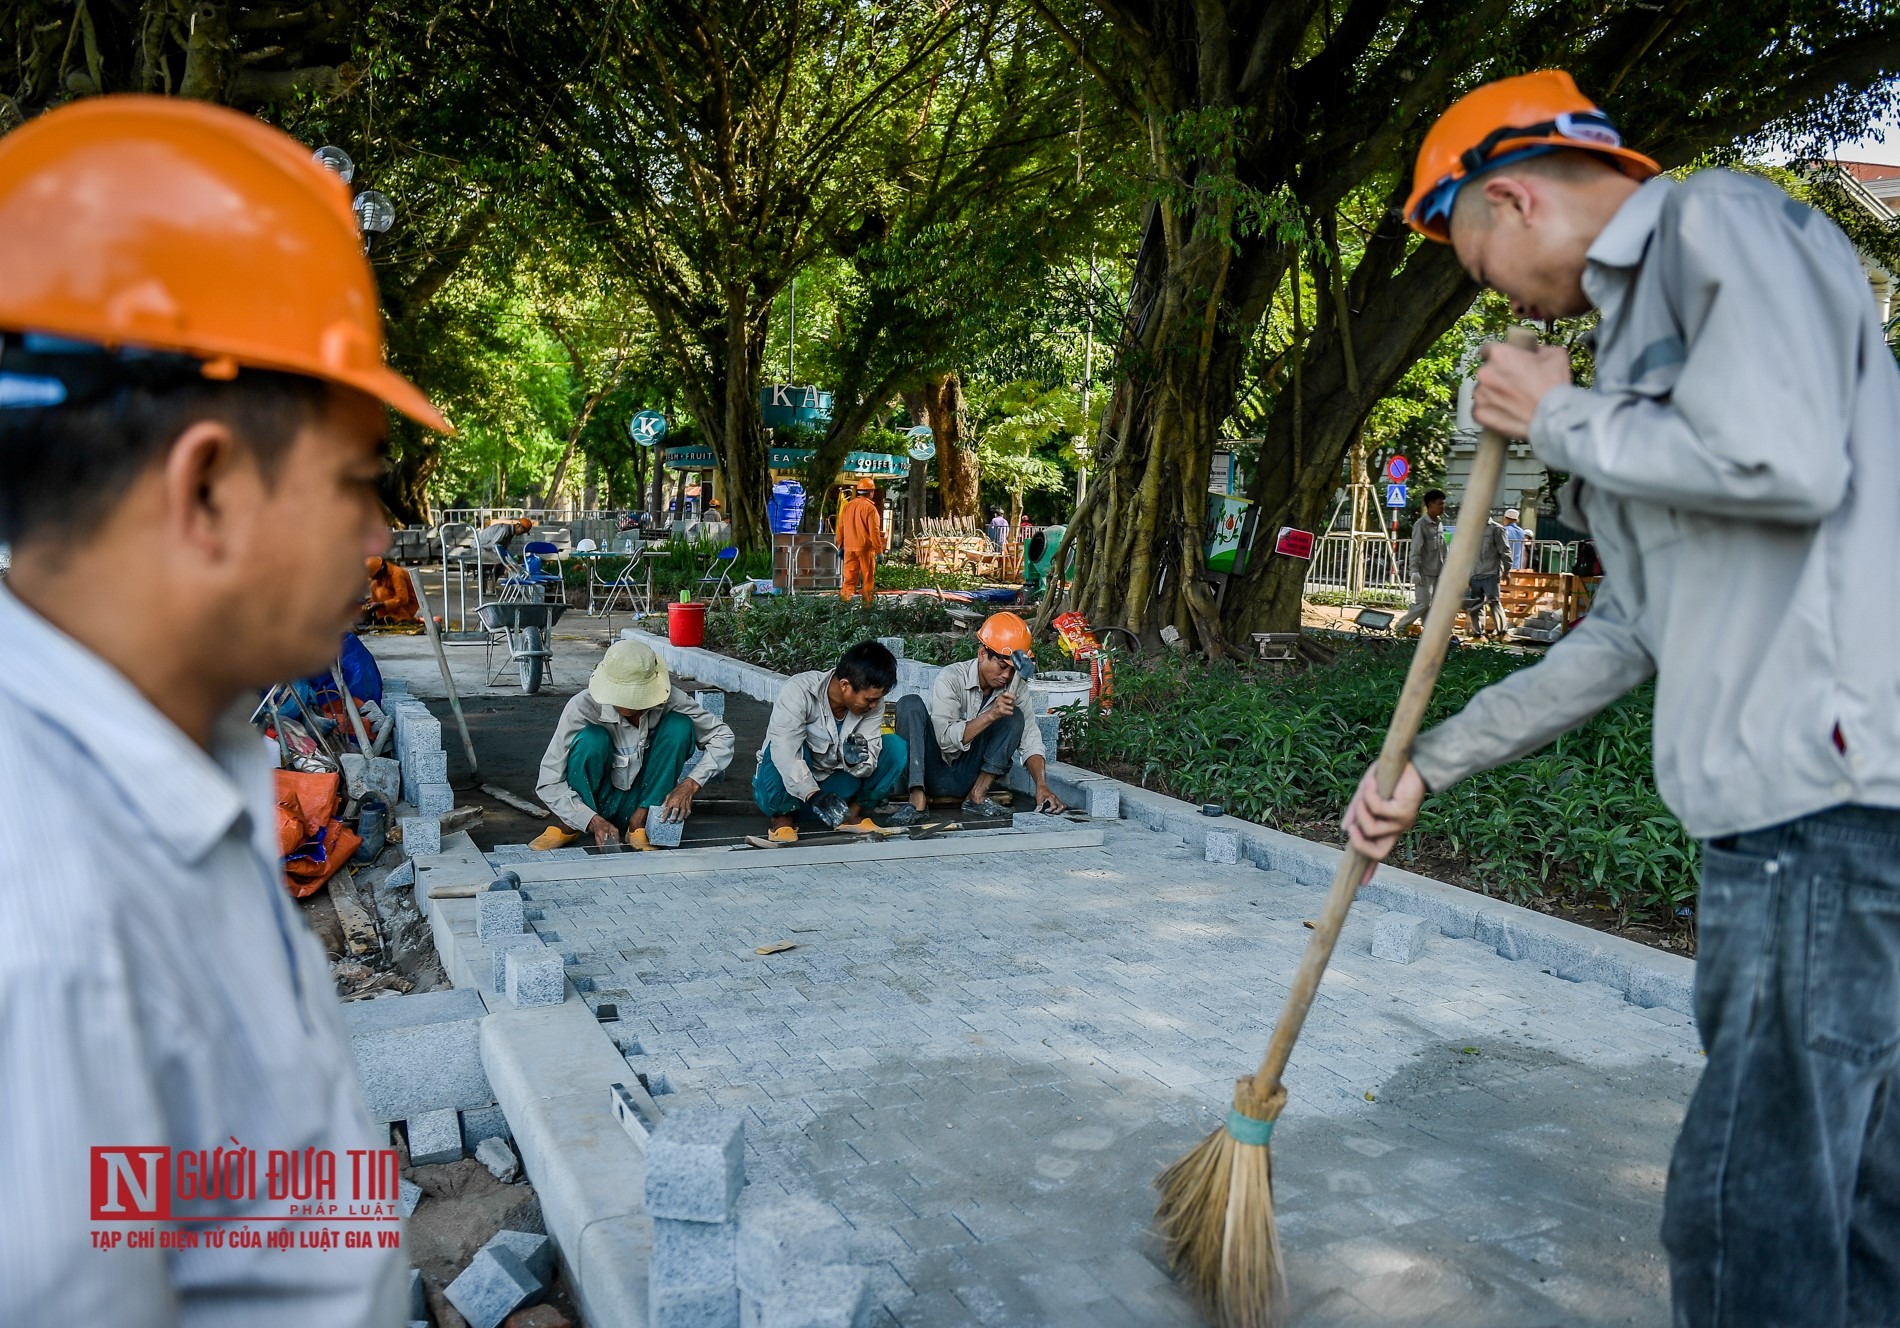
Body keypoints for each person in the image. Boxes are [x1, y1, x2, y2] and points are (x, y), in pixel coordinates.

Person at [1345, 70, 1900, 1328]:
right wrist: (1429, 762)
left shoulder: (1714, 224)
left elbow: (1785, 459)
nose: (1499, 298)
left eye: (1476, 265)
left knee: (1747, 1213)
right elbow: (1630, 630)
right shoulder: (1638, 354)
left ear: (1513, 200)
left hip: (1821, 814)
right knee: (1856, 1210)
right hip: (1804, 832)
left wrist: (1559, 417)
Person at [0, 96, 448, 1323]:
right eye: (355, 481)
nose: (378, 538)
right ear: (205, 487)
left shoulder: (172, 775)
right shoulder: (44, 922)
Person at [530, 639, 734, 851]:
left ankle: (639, 824)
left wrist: (689, 785)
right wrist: (589, 819)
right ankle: (571, 825)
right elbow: (548, 781)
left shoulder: (669, 698)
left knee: (679, 726)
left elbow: (723, 736)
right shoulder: (582, 707)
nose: (632, 705)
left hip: (641, 800)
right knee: (591, 738)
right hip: (593, 802)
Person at [891, 611, 1068, 822]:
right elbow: (945, 741)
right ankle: (917, 800)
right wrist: (991, 715)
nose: (1006, 676)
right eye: (1002, 666)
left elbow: (1030, 740)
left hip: (969, 775)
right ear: (982, 654)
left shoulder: (1016, 687)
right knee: (909, 704)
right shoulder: (951, 678)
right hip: (931, 771)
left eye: (1013, 670)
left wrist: (1041, 785)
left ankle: (978, 795)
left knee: (1014, 716)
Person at [753, 640, 909, 842]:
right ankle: (782, 821)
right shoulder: (799, 690)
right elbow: (785, 753)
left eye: (877, 699)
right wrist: (813, 795)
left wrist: (855, 760)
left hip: (835, 796)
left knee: (895, 747)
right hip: (783, 792)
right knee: (782, 747)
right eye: (869, 699)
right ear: (845, 685)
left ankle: (849, 816)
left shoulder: (874, 705)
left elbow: (870, 755)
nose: (874, 705)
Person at [1389, 489, 1447, 633]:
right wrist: (1414, 570)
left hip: (1438, 571)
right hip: (1424, 572)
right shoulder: (1421, 525)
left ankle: (1428, 632)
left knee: (1432, 605)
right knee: (1423, 603)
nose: (1443, 507)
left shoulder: (1439, 523)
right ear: (1431, 505)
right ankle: (1401, 626)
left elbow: (1443, 549)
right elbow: (1415, 549)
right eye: (1440, 504)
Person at [838, 477, 885, 605]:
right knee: (868, 579)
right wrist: (879, 551)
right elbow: (874, 532)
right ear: (871, 492)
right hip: (865, 549)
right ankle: (867, 606)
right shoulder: (870, 509)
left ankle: (845, 604)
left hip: (849, 548)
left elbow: (840, 528)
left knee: (849, 579)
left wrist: (840, 545)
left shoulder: (847, 506)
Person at [1466, 511, 1512, 637]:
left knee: (1494, 602)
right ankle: (1478, 634)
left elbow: (1505, 551)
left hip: (1491, 573)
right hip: (1475, 574)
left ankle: (1502, 633)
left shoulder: (1496, 529)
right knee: (1475, 605)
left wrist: (1507, 570)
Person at [1501, 507, 1529, 571]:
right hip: (1516, 566)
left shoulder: (1503, 530)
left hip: (1504, 565)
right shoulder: (1521, 532)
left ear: (1505, 518)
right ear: (1517, 520)